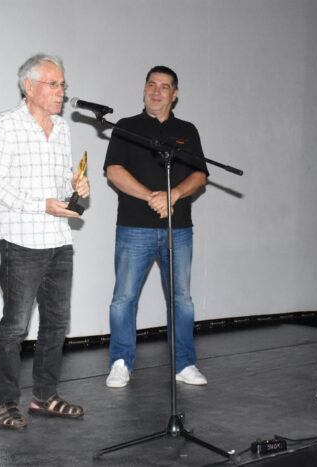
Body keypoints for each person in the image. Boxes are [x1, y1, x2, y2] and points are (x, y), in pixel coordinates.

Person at [0, 54, 89, 429]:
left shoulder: (62, 128)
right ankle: (6, 403)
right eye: (53, 84)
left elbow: (60, 184)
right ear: (29, 87)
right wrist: (40, 204)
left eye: (63, 85)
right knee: (15, 328)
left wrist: (77, 190)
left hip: (58, 240)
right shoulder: (7, 125)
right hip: (21, 241)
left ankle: (45, 396)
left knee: (56, 325)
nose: (61, 92)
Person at [103, 65, 209, 388]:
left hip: (179, 229)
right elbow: (114, 171)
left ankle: (184, 364)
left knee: (181, 299)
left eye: (164, 86)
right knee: (124, 297)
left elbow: (200, 175)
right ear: (144, 89)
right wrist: (152, 196)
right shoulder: (126, 127)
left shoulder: (186, 130)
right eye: (152, 84)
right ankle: (121, 362)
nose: (157, 91)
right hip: (133, 227)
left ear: (175, 95)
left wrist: (174, 194)